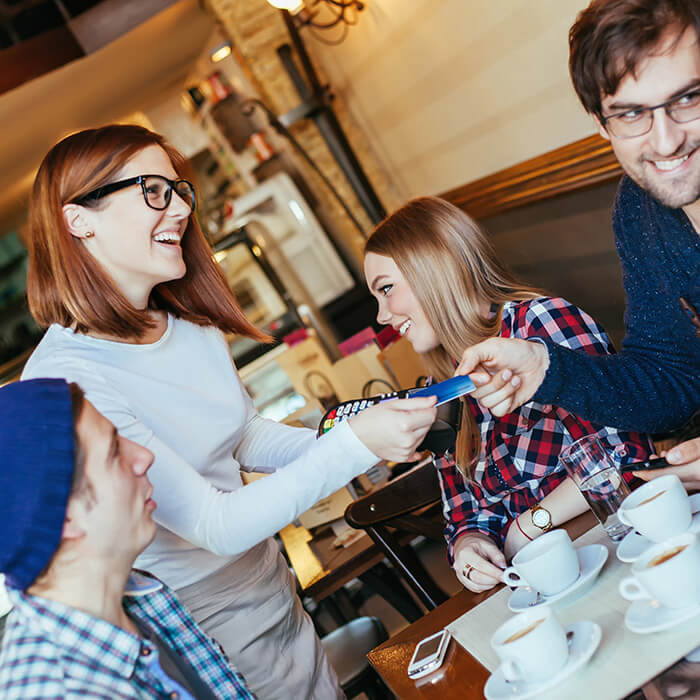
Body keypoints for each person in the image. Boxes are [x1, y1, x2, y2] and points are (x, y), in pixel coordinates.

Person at [20, 124, 438, 700]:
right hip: (201, 626)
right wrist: (354, 445)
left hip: (274, 587)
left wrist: (355, 431)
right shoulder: (67, 376)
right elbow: (214, 525)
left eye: (178, 190)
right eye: (152, 190)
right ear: (79, 219)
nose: (179, 211)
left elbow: (243, 435)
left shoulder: (187, 324)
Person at [455, 0, 700, 488]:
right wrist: (546, 367)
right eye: (631, 114)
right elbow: (674, 380)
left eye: (689, 98)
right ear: (601, 125)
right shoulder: (640, 210)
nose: (667, 140)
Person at [363, 196, 651, 593]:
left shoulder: (538, 323)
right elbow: (464, 513)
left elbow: (624, 450)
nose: (381, 315)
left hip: (622, 545)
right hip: (549, 576)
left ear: (433, 269)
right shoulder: (441, 390)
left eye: (387, 289)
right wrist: (470, 544)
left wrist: (528, 527)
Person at [0, 378, 255, 699]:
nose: (144, 457)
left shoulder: (140, 595)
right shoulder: (68, 692)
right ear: (64, 516)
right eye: (114, 451)